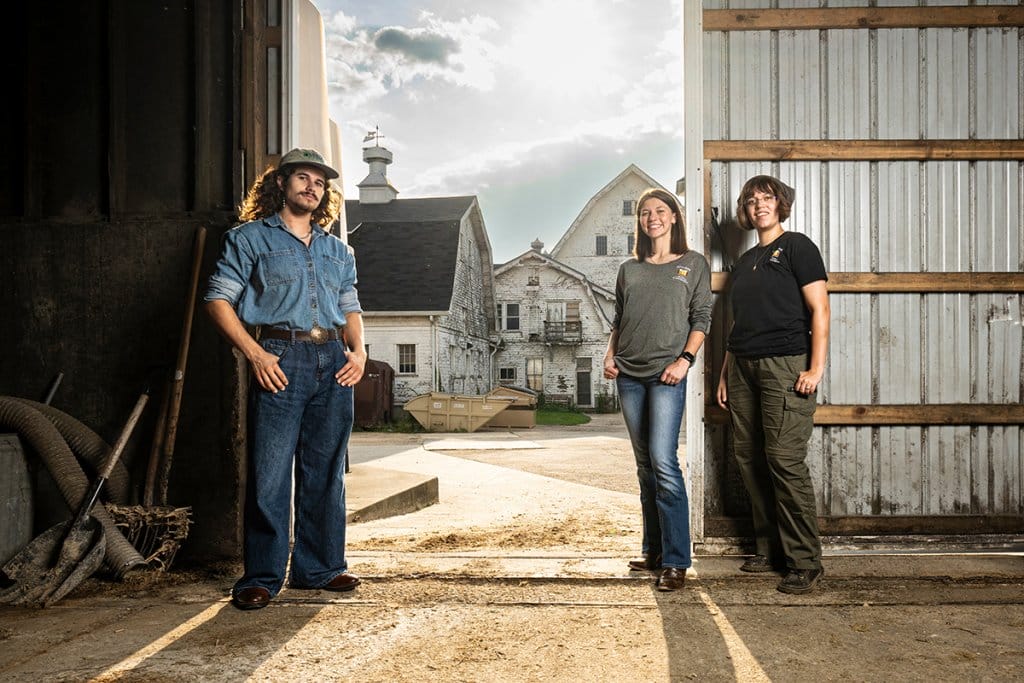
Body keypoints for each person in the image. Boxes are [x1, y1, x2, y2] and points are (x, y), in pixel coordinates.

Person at [204, 148, 367, 610]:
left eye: (319, 181)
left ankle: (319, 569)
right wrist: (255, 354)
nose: (311, 186)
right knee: (270, 473)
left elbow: (351, 306)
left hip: (334, 360)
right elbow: (218, 300)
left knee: (326, 471)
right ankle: (262, 575)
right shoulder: (249, 239)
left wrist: (358, 351)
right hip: (280, 356)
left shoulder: (339, 250)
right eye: (302, 177)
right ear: (281, 183)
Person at [715, 175, 830, 595]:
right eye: (751, 200)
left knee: (784, 460)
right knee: (749, 457)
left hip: (786, 364)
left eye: (767, 198)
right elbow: (737, 323)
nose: (759, 205)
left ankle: (804, 561)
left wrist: (815, 368)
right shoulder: (744, 264)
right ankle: (770, 550)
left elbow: (819, 309)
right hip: (743, 366)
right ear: (745, 211)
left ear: (781, 204)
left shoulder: (798, 246)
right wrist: (726, 372)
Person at [603, 188, 713, 592]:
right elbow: (619, 317)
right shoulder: (629, 269)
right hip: (628, 374)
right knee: (645, 466)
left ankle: (676, 560)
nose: (653, 217)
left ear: (673, 217)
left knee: (664, 462)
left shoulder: (692, 264)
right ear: (641, 222)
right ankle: (653, 550)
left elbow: (702, 317)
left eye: (660, 210)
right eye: (646, 212)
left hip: (668, 374)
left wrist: (684, 360)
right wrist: (609, 354)